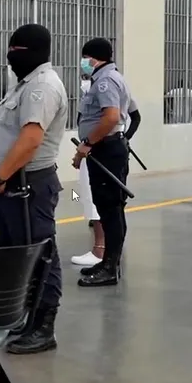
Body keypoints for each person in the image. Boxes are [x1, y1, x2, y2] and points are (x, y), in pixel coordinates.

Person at [0, 24, 67, 355]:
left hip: (29, 184)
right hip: (12, 184)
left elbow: (31, 140)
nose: (10, 57)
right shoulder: (26, 84)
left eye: (16, 52)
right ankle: (23, 316)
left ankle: (43, 326)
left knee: (40, 254)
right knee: (14, 255)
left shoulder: (41, 86)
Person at [72, 39, 131, 287]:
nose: (83, 63)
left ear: (94, 58)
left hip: (106, 149)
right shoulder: (108, 78)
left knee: (110, 210)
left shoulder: (106, 81)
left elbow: (110, 117)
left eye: (86, 58)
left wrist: (87, 143)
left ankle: (109, 268)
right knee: (109, 209)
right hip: (105, 148)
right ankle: (109, 262)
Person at [72, 84, 141, 268]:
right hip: (95, 148)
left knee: (103, 202)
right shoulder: (96, 87)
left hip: (101, 149)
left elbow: (129, 117)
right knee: (99, 200)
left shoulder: (107, 86)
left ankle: (100, 249)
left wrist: (123, 138)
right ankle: (108, 253)